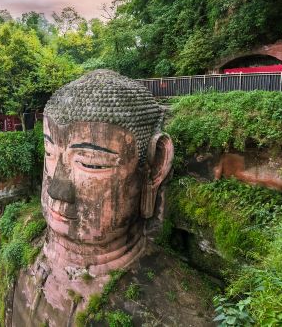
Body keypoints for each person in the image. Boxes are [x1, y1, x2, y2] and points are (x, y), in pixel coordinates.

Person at [12, 70, 175, 326]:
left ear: (155, 167)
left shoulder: (159, 314)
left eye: (91, 164)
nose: (57, 190)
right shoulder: (22, 249)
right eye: (49, 153)